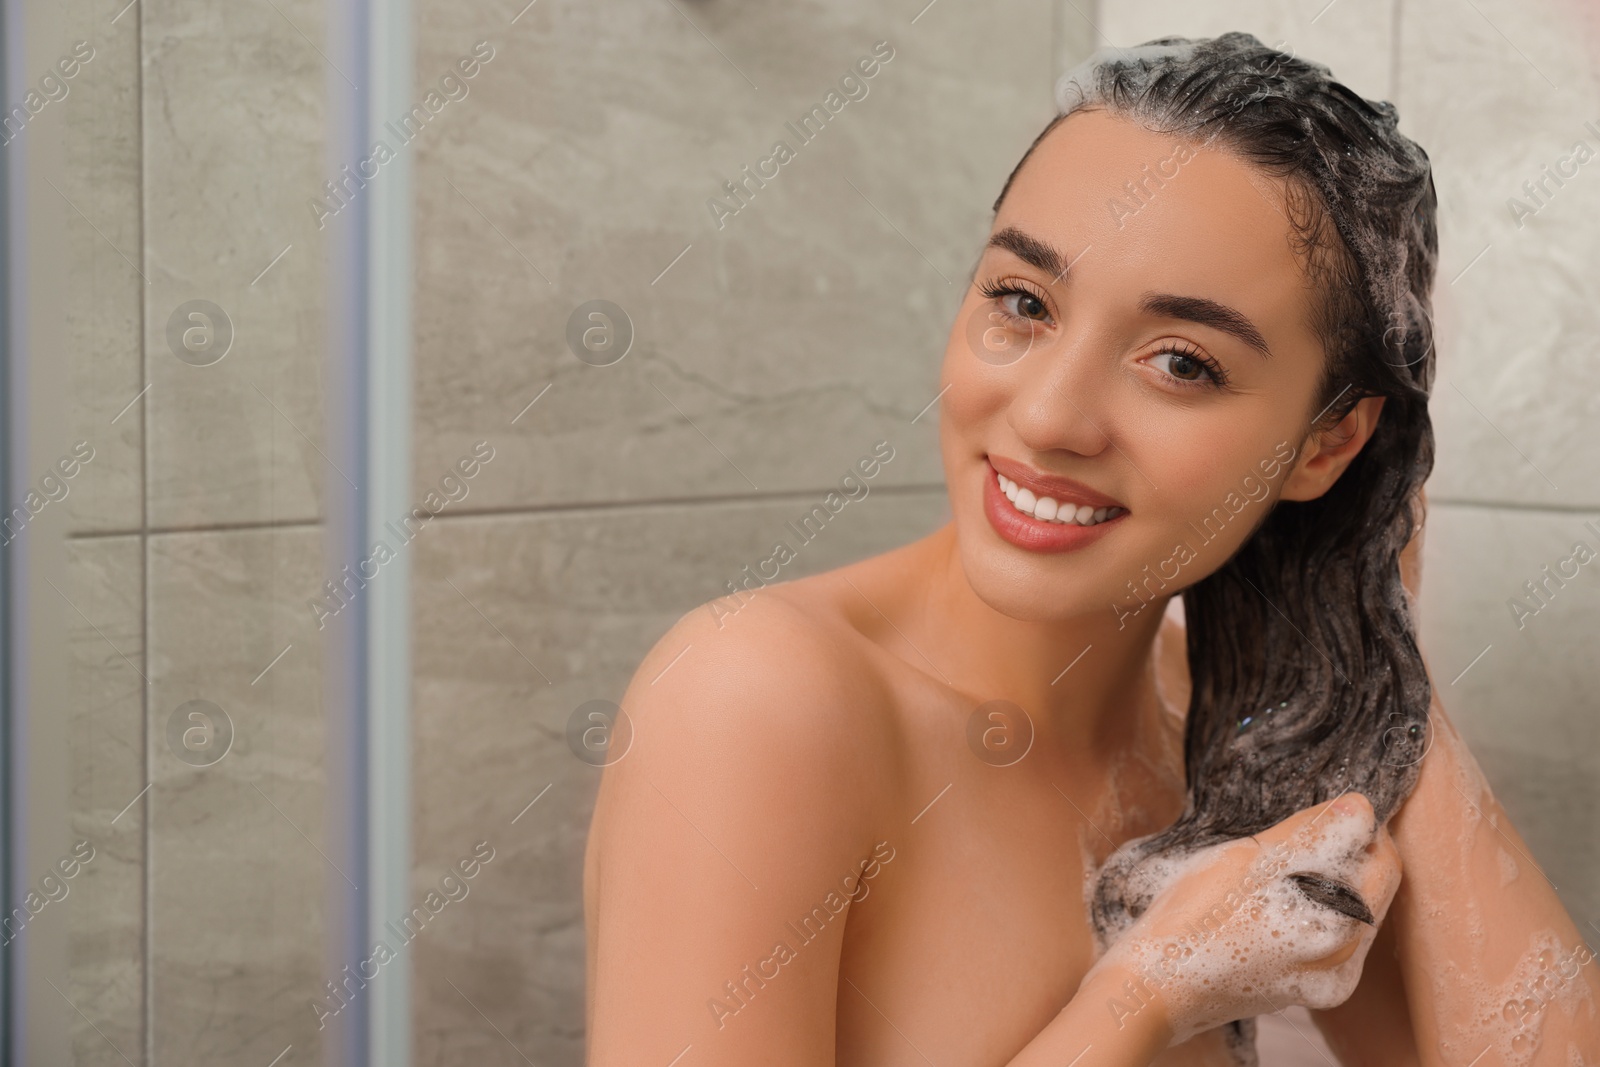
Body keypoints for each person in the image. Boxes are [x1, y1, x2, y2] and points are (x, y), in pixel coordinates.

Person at [583, 33, 1600, 1065]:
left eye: (1179, 362)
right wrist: (1147, 995)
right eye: (1023, 301)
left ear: (1326, 442)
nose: (1048, 413)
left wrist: (1361, 622)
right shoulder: (752, 696)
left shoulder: (1237, 725)